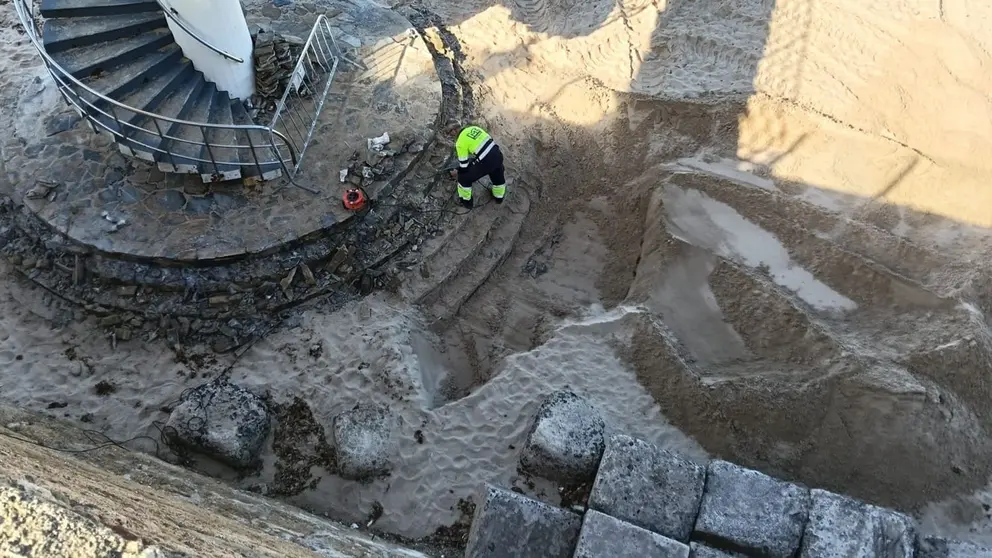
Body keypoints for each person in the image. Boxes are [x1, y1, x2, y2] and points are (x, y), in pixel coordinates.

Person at [446, 123, 506, 208]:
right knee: (497, 174)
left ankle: (466, 202)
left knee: (464, 178)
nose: (450, 136)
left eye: (449, 133)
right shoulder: (474, 128)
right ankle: (499, 197)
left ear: (454, 130)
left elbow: (464, 166)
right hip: (497, 154)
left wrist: (458, 172)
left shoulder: (460, 142)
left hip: (487, 161)